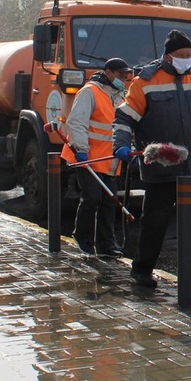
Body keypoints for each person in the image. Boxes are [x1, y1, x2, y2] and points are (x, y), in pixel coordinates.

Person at [113, 29, 191, 295]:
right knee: (155, 222)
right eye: (181, 55)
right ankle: (142, 270)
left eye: (189, 55)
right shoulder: (144, 83)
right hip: (161, 168)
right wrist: (120, 145)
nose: (186, 59)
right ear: (168, 56)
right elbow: (124, 118)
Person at [62, 57, 133, 258]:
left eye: (126, 76)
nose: (124, 79)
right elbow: (77, 122)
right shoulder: (90, 92)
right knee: (92, 197)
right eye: (120, 75)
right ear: (108, 73)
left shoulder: (120, 96)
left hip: (109, 160)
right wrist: (81, 149)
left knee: (109, 201)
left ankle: (106, 245)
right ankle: (83, 239)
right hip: (88, 158)